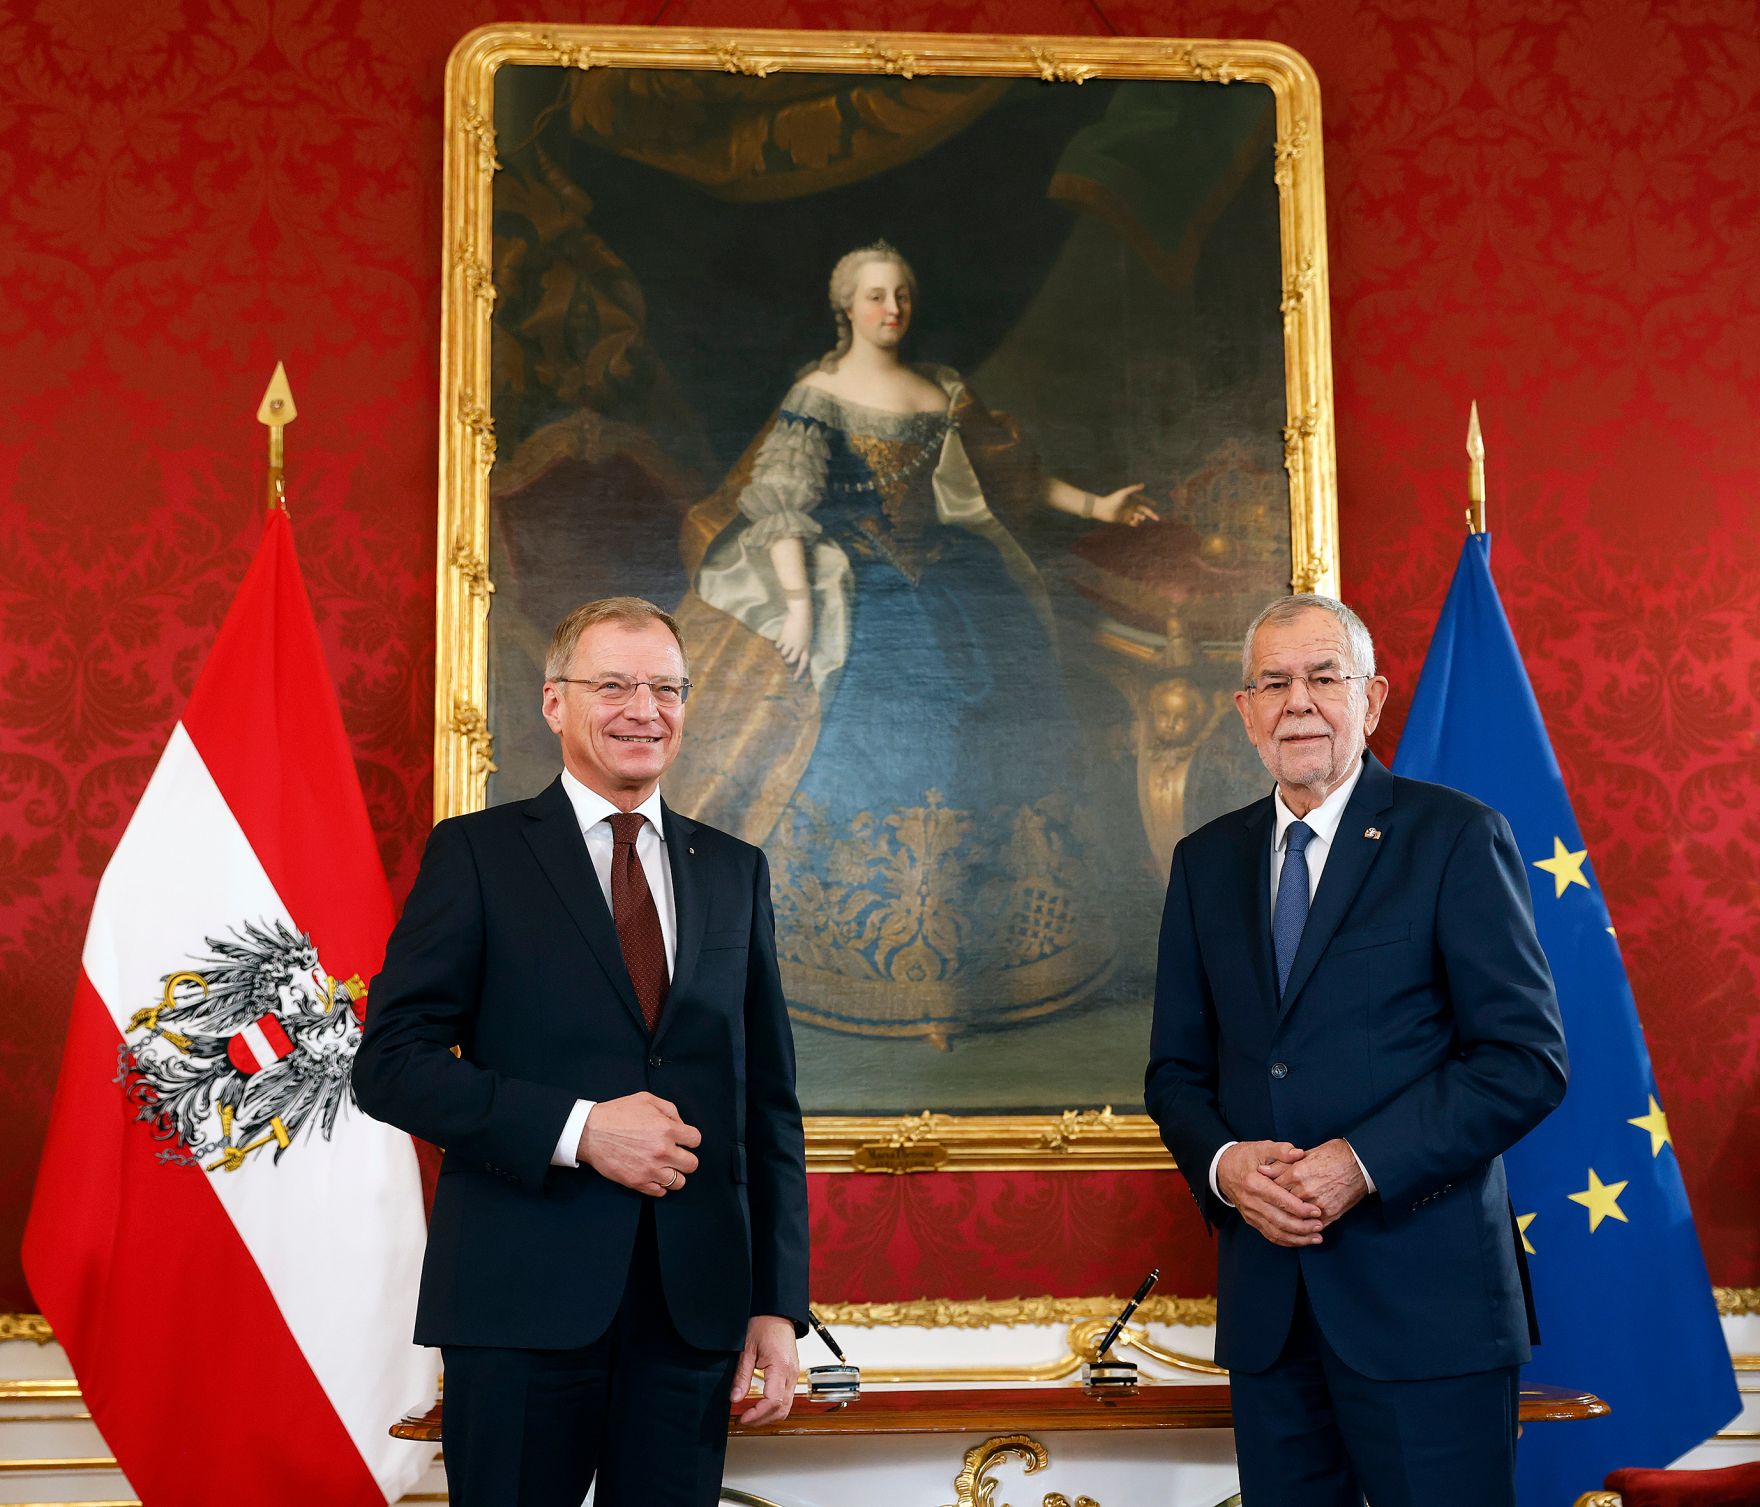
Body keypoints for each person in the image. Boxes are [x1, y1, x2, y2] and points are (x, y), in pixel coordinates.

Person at [353, 597, 809, 1507]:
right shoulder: (477, 854)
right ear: (555, 702)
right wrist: (580, 1129)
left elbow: (766, 1101)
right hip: (520, 1302)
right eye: (614, 684)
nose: (645, 708)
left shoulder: (733, 868)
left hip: (693, 1312)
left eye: (666, 687)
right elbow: (390, 1062)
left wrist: (776, 1303)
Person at [671, 241, 1156, 1041]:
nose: (890, 308)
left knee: (1003, 712)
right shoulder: (818, 393)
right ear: (846, 308)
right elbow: (783, 505)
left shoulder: (942, 391)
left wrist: (1098, 506)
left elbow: (1011, 482)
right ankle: (856, 963)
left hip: (958, 578)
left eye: (900, 294)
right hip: (856, 582)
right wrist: (797, 605)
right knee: (880, 721)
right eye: (872, 296)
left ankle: (993, 959)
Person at [1144, 594, 1568, 1506]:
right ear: (1245, 709)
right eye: (1274, 682)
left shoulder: (1453, 836)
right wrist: (1223, 1165)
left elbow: (1524, 1058)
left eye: (1323, 677)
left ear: (1371, 700)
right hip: (1270, 1314)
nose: (1299, 701)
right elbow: (1174, 1071)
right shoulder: (1205, 861)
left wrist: (1360, 1162)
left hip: (1429, 1310)